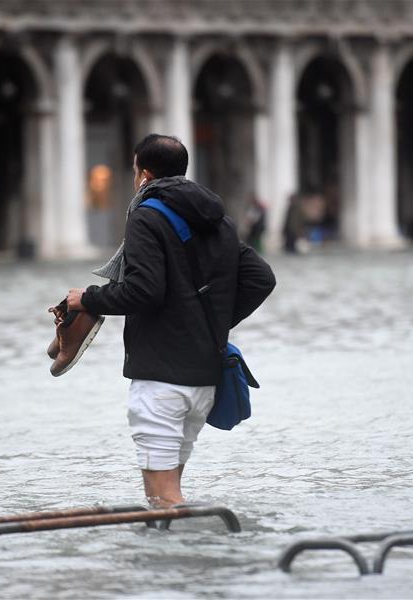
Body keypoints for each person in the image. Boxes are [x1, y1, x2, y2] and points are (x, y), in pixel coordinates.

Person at [64, 134, 276, 507]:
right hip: (203, 381)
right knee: (172, 492)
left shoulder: (146, 216)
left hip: (161, 380)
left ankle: (176, 563)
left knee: (162, 498)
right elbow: (261, 278)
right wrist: (211, 322)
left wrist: (88, 298)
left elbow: (143, 291)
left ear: (143, 174)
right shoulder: (219, 221)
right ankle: (193, 562)